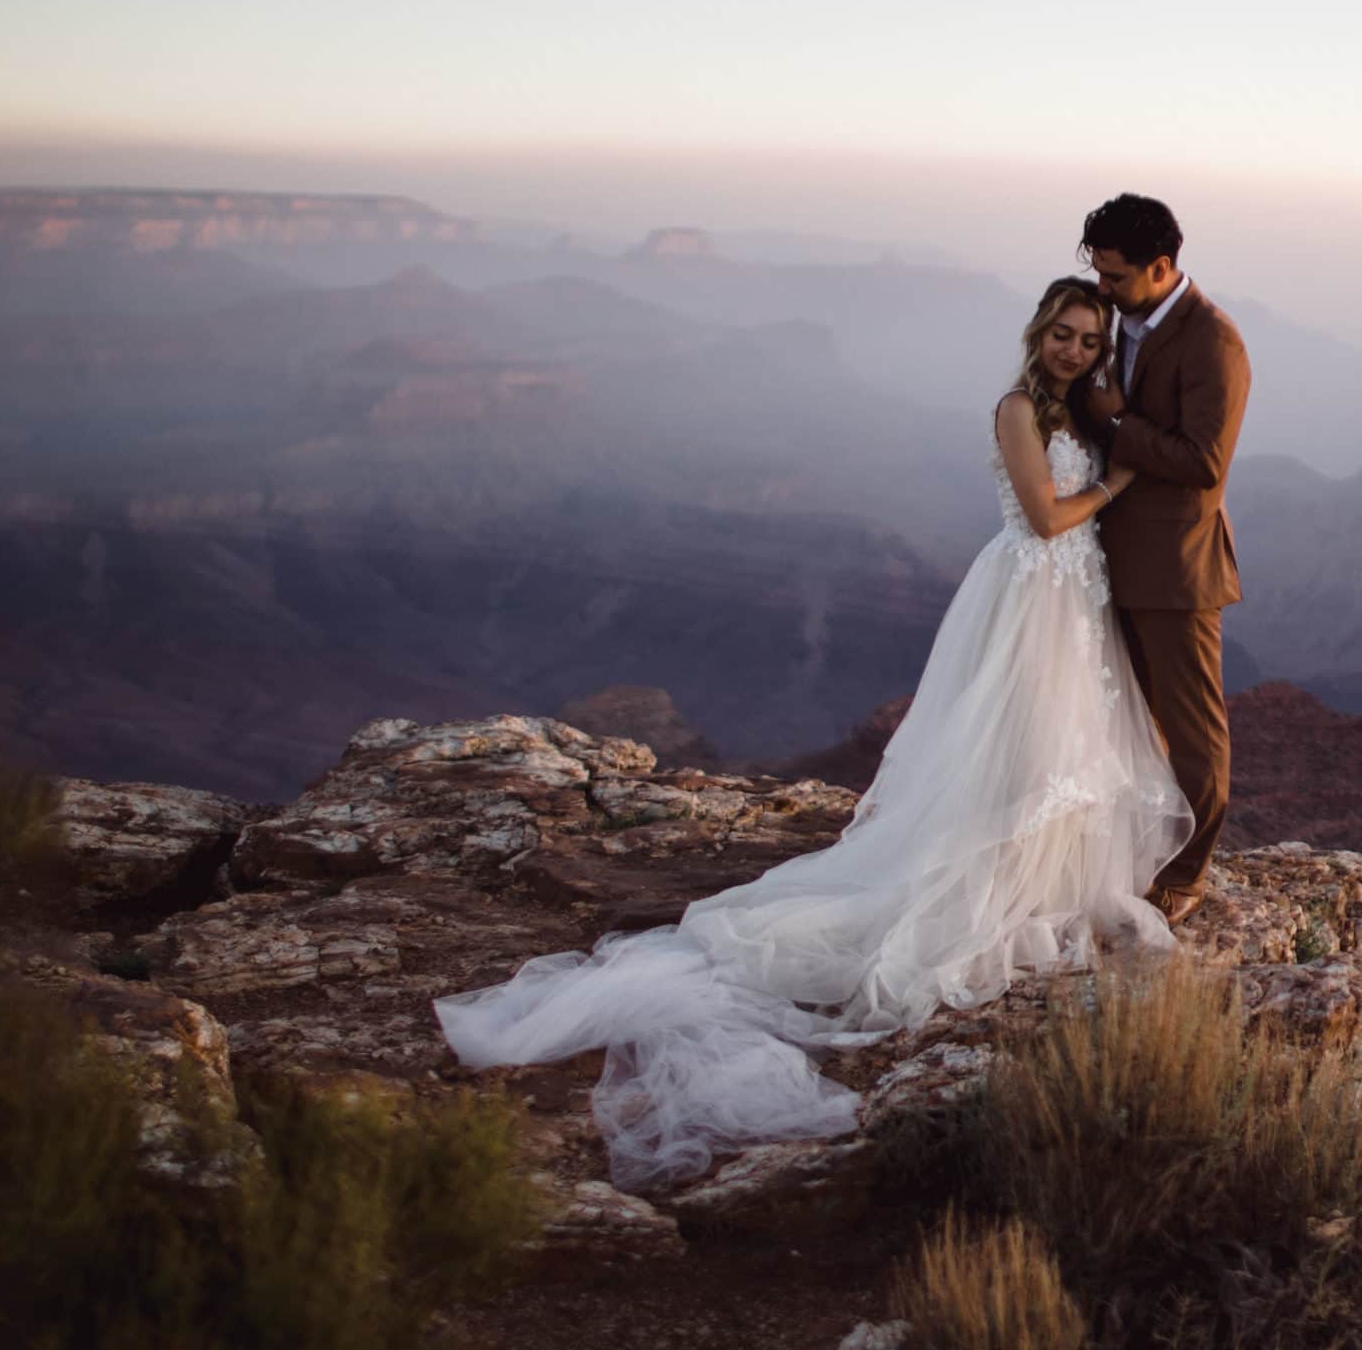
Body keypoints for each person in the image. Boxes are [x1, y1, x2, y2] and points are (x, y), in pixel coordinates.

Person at [435, 276, 1193, 1190]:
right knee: (1019, 742)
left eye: (1089, 338)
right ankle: (993, 878)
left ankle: (1047, 876)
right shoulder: (1017, 410)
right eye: (1063, 334)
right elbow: (1043, 516)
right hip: (1031, 597)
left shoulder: (1081, 407)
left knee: (1062, 750)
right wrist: (1116, 481)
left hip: (1076, 604)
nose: (1074, 349)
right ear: (1039, 334)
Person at [1072, 195, 1251, 923]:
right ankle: (1131, 850)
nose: (1103, 288)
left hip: (1175, 568)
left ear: (1162, 267)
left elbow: (1204, 462)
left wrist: (1114, 420)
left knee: (1191, 732)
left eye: (1115, 277)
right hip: (1103, 551)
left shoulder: (1214, 343)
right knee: (1128, 723)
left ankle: (1187, 872)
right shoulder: (1119, 321)